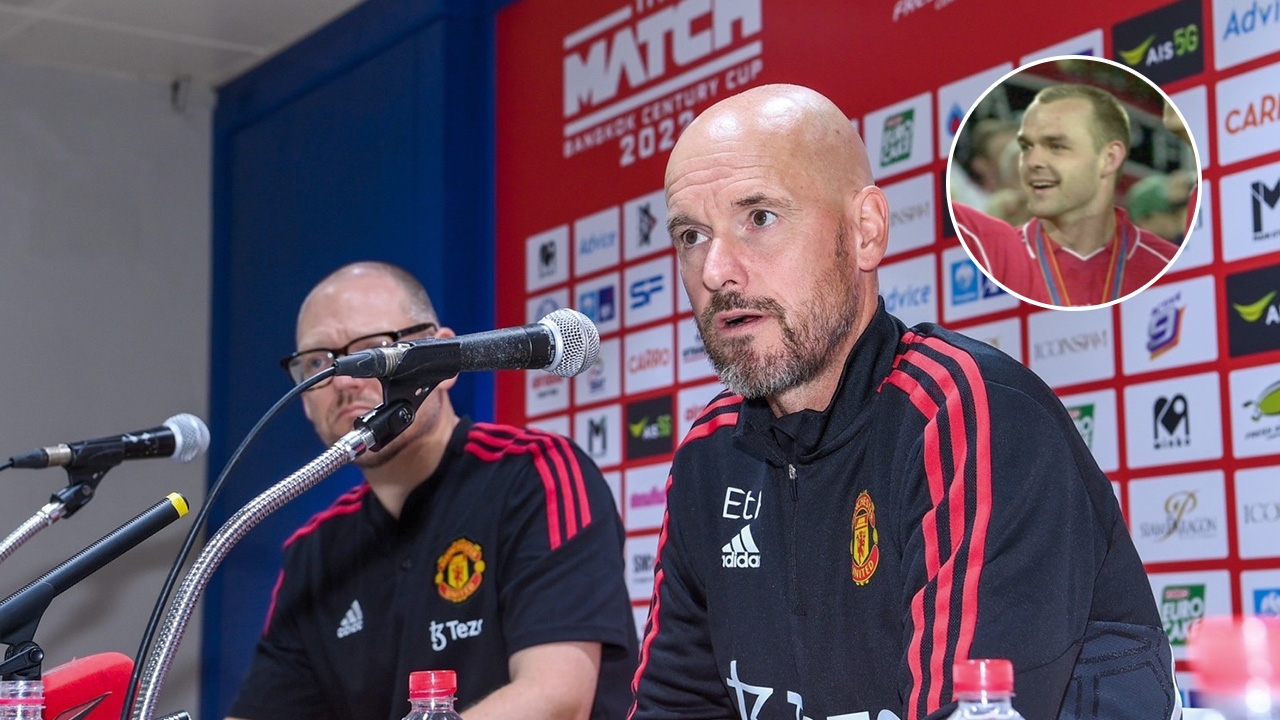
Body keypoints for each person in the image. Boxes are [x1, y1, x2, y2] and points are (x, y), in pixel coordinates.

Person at [629, 84, 1178, 720]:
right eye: (692, 235)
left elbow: (973, 710)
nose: (715, 270)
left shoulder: (967, 413)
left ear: (866, 231)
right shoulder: (710, 452)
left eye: (760, 218)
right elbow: (674, 707)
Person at [228, 262, 637, 720]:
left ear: (446, 359)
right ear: (304, 398)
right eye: (318, 364)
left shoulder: (536, 473)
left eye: (372, 350)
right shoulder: (312, 552)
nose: (343, 380)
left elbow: (556, 702)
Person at [952, 84, 1180, 307]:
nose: (1032, 162)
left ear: (1109, 159)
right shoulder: (990, 255)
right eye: (1027, 147)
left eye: (1057, 146)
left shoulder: (1167, 263)